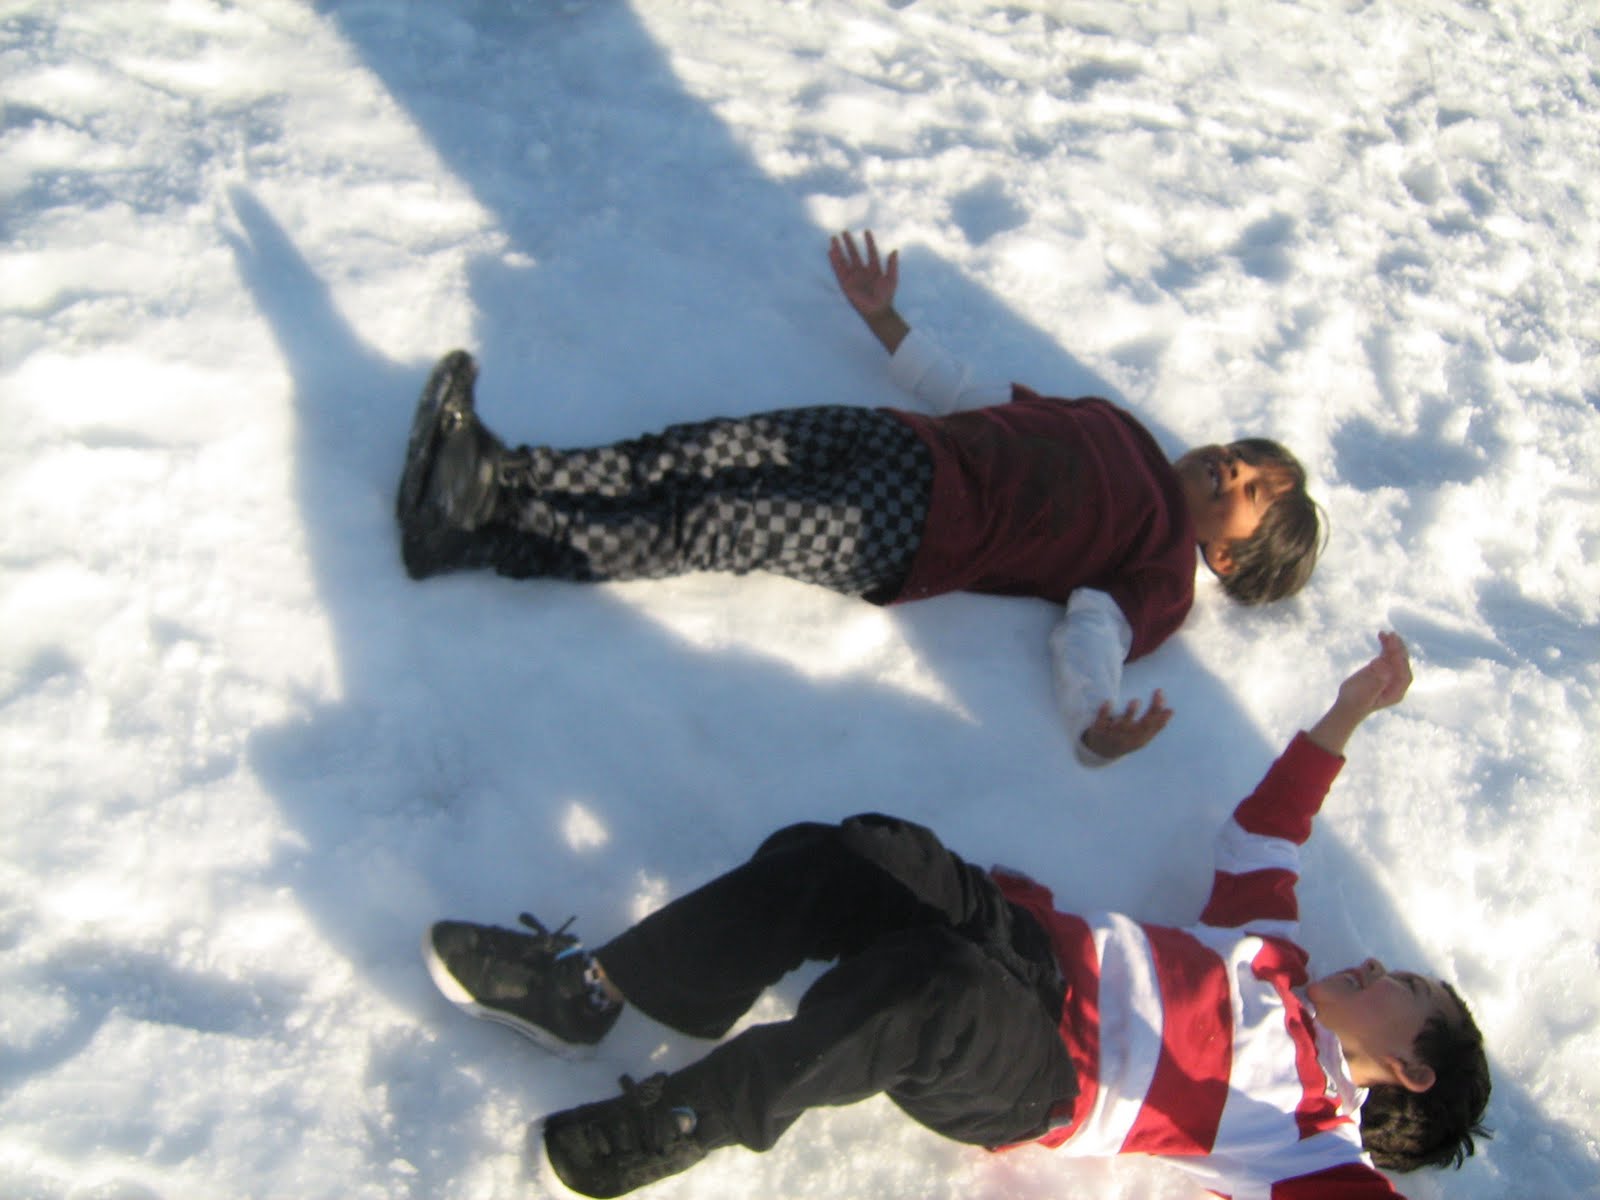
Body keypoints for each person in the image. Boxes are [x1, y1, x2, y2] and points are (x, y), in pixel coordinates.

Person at [423, 633, 1490, 1199]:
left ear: (1411, 1068)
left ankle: (682, 1120)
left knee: (921, 995)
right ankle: (594, 990)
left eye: (1407, 989)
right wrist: (1347, 712)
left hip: (1043, 1072)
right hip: (1026, 941)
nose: (1378, 967)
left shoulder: (1307, 1141)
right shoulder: (1272, 953)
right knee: (855, 851)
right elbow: (1266, 834)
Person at [395, 230, 1321, 763]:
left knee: (713, 522)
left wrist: (1092, 724)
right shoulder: (1114, 424)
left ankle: (487, 535)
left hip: (910, 530)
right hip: (900, 439)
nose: (1230, 467)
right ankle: (501, 472)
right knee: (695, 451)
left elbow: (1091, 634)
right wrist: (885, 319)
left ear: (1227, 556)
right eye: (1243, 455)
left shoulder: (1162, 575)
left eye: (1248, 491)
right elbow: (972, 395)